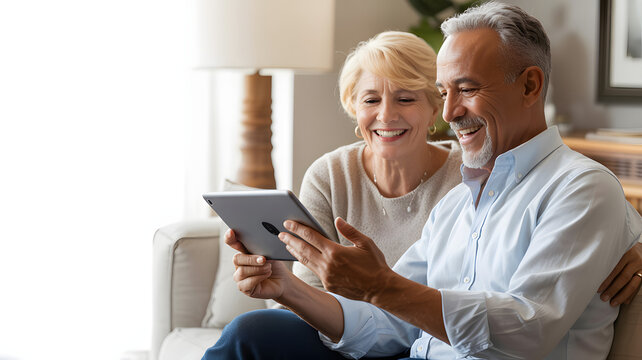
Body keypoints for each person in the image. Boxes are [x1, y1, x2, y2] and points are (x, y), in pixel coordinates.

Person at [201, 2, 642, 359]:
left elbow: (527, 331)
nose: (449, 113)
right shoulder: (459, 205)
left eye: (466, 89)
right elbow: (388, 322)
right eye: (444, 91)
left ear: (529, 86)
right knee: (251, 336)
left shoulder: (580, 188)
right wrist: (288, 289)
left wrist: (381, 285)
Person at [293, 31, 463, 290]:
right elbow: (308, 291)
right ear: (354, 108)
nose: (386, 116)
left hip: (429, 330)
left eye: (405, 99)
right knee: (249, 327)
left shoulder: (468, 177)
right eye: (371, 100)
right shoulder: (328, 177)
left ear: (434, 110)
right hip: (331, 327)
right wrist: (276, 282)